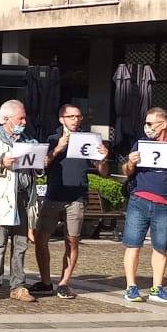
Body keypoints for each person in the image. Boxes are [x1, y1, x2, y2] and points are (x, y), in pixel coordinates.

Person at [33, 104, 110, 299]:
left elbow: (103, 172)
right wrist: (58, 148)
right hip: (53, 196)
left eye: (78, 116)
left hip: (76, 197)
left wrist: (103, 159)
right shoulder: (52, 139)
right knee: (41, 238)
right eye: (71, 116)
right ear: (62, 119)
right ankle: (45, 281)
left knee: (72, 240)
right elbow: (41, 166)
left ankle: (64, 282)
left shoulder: (88, 139)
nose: (75, 120)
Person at [122, 107, 167, 303]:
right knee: (133, 245)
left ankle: (157, 288)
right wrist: (130, 162)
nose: (146, 127)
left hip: (165, 204)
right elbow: (126, 171)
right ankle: (131, 287)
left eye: (149, 123)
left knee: (160, 247)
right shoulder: (141, 143)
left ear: (163, 124)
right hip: (139, 200)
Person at [0, 100, 40, 302]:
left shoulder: (28, 139)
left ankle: (18, 285)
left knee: (21, 245)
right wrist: (1, 164)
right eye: (20, 118)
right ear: (6, 119)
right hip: (3, 198)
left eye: (24, 118)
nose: (24, 121)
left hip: (23, 199)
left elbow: (39, 166)